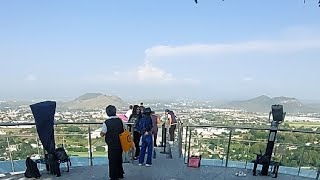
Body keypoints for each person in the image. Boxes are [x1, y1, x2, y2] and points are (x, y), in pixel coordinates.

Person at [100, 105, 124, 180]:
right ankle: (120, 173)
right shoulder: (120, 120)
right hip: (120, 142)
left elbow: (103, 133)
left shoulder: (106, 122)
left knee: (112, 160)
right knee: (119, 158)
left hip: (112, 144)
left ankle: (114, 177)